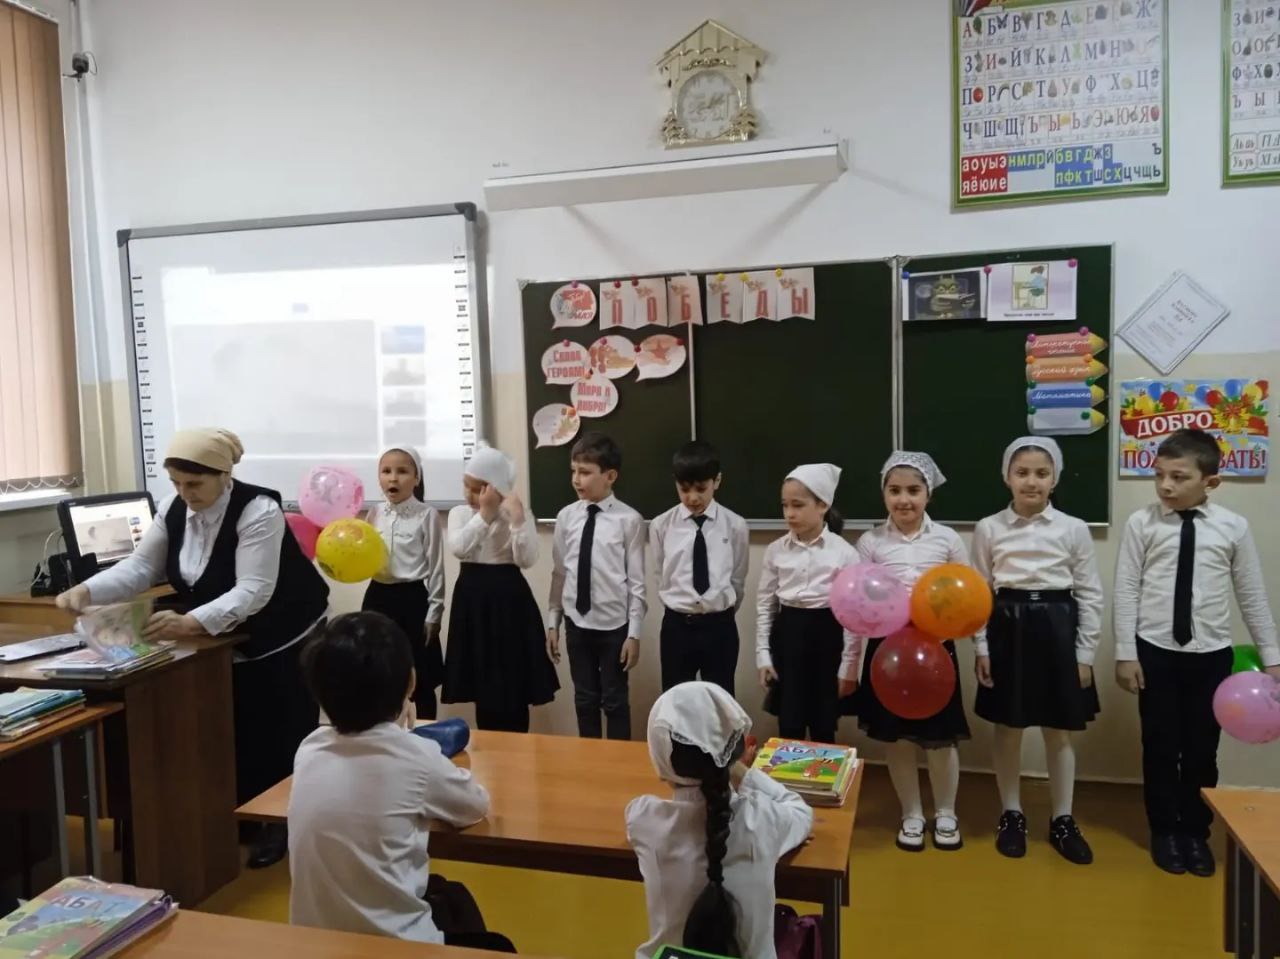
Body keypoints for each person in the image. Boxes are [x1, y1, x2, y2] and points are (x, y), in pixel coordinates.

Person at [56, 428, 330, 868]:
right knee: (235, 724)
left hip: (285, 629)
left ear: (224, 476)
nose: (185, 493)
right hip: (226, 633)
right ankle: (240, 815)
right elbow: (141, 567)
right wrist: (88, 590)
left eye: (195, 483)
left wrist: (191, 621)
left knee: (280, 728)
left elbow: (253, 590)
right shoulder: (173, 508)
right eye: (177, 483)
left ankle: (279, 825)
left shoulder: (258, 510)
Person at [289, 612, 513, 952]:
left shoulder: (310, 748)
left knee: (449, 896)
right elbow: (474, 806)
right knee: (495, 942)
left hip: (313, 944)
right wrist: (403, 735)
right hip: (394, 948)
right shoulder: (414, 756)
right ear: (411, 682)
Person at [1113, 428, 1280, 877]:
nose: (1165, 486)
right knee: (1160, 745)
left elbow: (1251, 594)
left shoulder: (1232, 527)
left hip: (1210, 655)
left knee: (1202, 749)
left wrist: (1273, 657)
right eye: (1159, 475)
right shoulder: (1142, 524)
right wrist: (1126, 652)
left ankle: (1195, 831)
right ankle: (1164, 830)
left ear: (1211, 481)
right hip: (1155, 652)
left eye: (1179, 477)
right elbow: (1126, 589)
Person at [971, 436, 1103, 865]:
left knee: (1058, 730)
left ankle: (1063, 818)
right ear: (1007, 477)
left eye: (1042, 473)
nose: (1032, 481)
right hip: (1006, 628)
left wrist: (1084, 655)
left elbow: (1090, 593)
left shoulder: (1074, 528)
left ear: (1054, 479)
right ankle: (1011, 813)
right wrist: (981, 647)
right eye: (1022, 472)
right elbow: (978, 593)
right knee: (1008, 728)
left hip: (1058, 628)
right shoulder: (989, 527)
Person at [626, 681, 813, 959]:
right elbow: (801, 812)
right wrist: (741, 773)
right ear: (734, 750)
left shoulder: (644, 819)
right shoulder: (762, 818)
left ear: (662, 763)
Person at [855, 451, 970, 852]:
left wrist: (978, 645)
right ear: (884, 494)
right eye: (894, 490)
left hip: (936, 650)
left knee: (940, 740)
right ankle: (912, 813)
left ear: (928, 494)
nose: (904, 499)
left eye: (913, 491)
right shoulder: (870, 542)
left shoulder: (948, 539)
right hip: (887, 652)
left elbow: (967, 596)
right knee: (898, 739)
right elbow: (861, 600)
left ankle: (946, 812)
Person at [442, 443, 558, 732]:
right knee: (482, 680)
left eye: (478, 489)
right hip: (472, 600)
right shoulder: (460, 513)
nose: (469, 495)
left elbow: (527, 559)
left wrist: (517, 520)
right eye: (466, 486)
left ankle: (518, 744)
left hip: (509, 601)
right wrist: (484, 514)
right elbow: (459, 547)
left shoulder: (515, 512)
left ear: (495, 487)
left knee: (512, 681)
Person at [546, 432, 646, 740]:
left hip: (614, 626)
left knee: (615, 701)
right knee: (585, 699)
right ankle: (589, 759)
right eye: (574, 471)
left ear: (610, 476)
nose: (576, 479)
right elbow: (560, 573)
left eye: (585, 472)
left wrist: (634, 634)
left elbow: (637, 583)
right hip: (577, 623)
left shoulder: (629, 520)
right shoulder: (566, 517)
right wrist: (553, 622)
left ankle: (618, 763)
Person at [756, 463, 859, 744]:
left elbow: (852, 617)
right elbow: (765, 606)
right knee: (789, 721)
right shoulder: (775, 550)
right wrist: (763, 655)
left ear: (823, 505)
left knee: (823, 723)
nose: (789, 513)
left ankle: (824, 773)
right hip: (787, 638)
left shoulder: (845, 553)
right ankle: (790, 774)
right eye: (785, 505)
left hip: (827, 639)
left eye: (798, 505)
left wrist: (849, 667)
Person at [649, 441, 749, 694]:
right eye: (684, 489)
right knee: (676, 698)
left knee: (720, 698)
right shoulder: (661, 525)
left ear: (717, 481)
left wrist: (717, 610)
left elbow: (737, 578)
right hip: (677, 627)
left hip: (719, 626)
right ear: (675, 483)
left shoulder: (735, 525)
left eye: (701, 489)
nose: (692, 498)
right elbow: (661, 575)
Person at [363, 446, 445, 717]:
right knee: (377, 674)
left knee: (420, 678)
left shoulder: (427, 515)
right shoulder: (374, 513)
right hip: (377, 598)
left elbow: (436, 567)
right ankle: (384, 732)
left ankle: (425, 735)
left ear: (416, 477)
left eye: (402, 471)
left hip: (412, 601)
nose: (393, 478)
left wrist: (435, 612)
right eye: (386, 471)